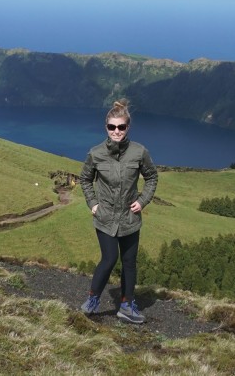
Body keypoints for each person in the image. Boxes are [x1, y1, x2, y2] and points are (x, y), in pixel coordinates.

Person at [78, 98, 158, 324]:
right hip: (104, 217)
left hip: (130, 218)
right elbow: (85, 179)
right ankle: (93, 300)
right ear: (106, 127)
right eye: (112, 127)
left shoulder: (139, 152)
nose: (116, 131)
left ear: (128, 127)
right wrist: (92, 203)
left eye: (121, 127)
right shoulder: (95, 153)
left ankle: (126, 305)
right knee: (110, 258)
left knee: (130, 261)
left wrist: (142, 201)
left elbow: (152, 177)